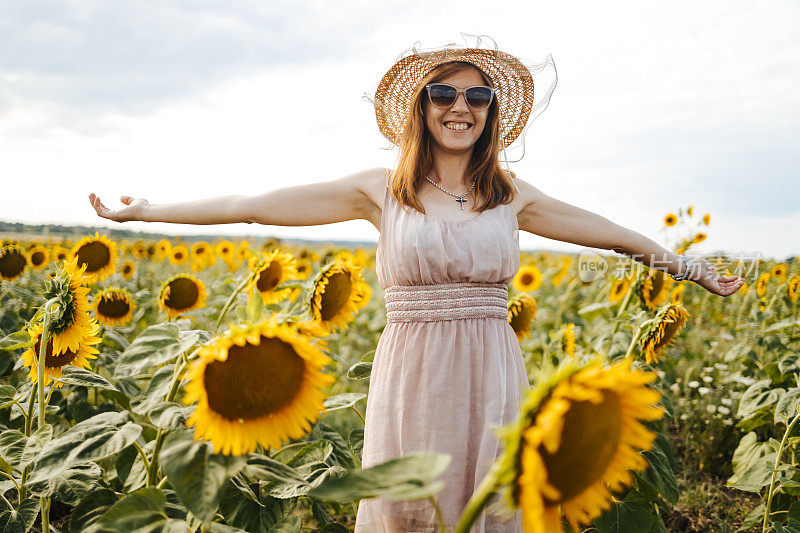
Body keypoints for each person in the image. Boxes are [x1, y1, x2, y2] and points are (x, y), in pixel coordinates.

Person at [89, 41, 745, 532]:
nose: (461, 107)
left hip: (492, 369)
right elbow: (253, 203)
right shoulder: (379, 191)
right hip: (414, 370)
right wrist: (147, 210)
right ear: (421, 106)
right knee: (411, 507)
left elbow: (610, 233)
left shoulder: (509, 195)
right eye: (445, 94)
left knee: (489, 506)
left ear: (489, 115)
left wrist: (691, 267)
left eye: (477, 98)